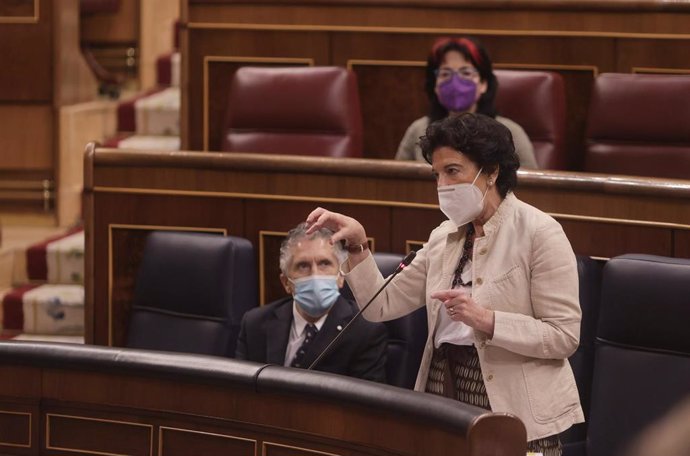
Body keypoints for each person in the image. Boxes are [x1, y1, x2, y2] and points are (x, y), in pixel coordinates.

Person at [307, 113, 582, 455]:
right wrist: (359, 247)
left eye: (453, 171)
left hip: (517, 410)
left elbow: (564, 336)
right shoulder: (444, 236)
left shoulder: (540, 233)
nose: (443, 186)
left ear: (492, 170)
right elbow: (380, 306)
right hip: (443, 389)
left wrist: (487, 320)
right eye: (436, 175)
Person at [235, 222, 387, 382]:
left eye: (324, 263)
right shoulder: (255, 324)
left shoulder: (365, 331)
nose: (315, 274)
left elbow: (364, 404)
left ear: (341, 276)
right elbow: (239, 393)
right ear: (286, 282)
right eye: (303, 266)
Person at [395, 36, 538, 169]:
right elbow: (398, 183)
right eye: (445, 73)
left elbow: (532, 186)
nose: (455, 82)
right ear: (435, 85)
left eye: (466, 73)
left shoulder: (509, 133)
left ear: (483, 83)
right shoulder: (418, 130)